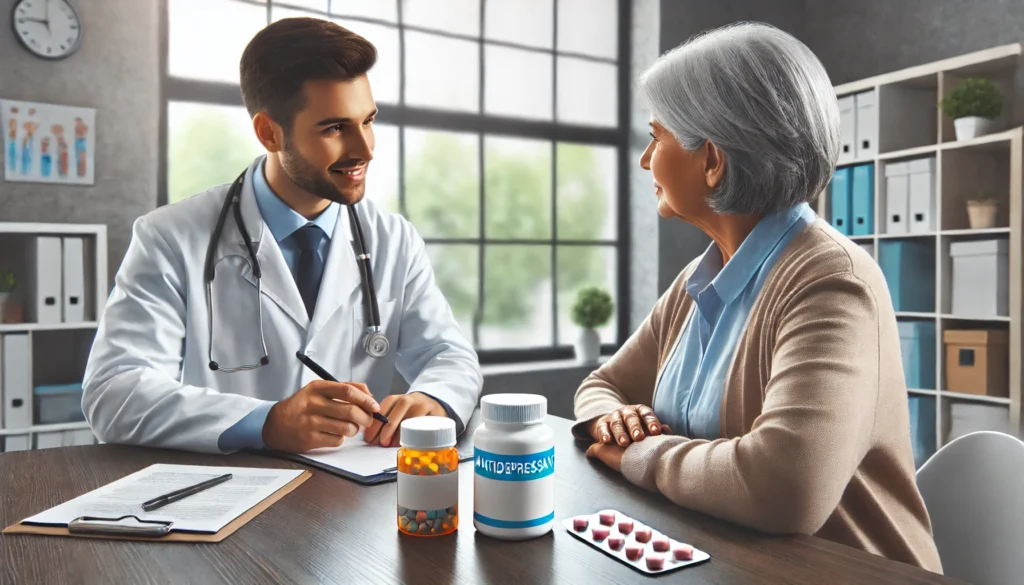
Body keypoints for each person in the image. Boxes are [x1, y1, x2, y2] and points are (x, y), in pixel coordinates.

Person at [572, 22, 943, 573]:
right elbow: (601, 386)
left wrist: (639, 453)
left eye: (659, 136)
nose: (647, 159)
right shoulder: (697, 281)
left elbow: (784, 485)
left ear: (712, 159)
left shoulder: (831, 283)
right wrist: (613, 421)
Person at [83, 18, 482, 454]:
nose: (365, 149)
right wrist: (266, 422)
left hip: (354, 499)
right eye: (334, 128)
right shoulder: (170, 238)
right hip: (226, 498)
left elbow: (449, 355)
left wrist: (434, 400)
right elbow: (113, 394)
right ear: (269, 132)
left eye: (368, 121)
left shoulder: (392, 238)